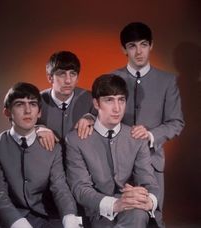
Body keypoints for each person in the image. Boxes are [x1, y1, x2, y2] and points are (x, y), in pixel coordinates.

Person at [0, 82, 82, 228]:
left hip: (45, 216)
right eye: (20, 104)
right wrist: (18, 223)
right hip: (8, 218)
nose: (28, 110)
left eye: (33, 104)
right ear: (7, 112)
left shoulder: (53, 147)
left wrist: (70, 216)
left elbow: (60, 187)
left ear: (39, 112)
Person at [112, 22, 184, 225]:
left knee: (153, 218)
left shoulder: (167, 81)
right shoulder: (111, 78)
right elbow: (97, 112)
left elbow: (176, 122)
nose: (139, 51)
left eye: (143, 44)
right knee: (121, 216)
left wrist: (150, 135)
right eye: (132, 46)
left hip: (152, 163)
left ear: (151, 45)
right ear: (124, 49)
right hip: (116, 165)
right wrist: (88, 118)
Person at [65, 74, 160, 228]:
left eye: (121, 100)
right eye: (109, 100)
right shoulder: (75, 140)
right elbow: (80, 188)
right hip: (96, 211)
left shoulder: (137, 137)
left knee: (137, 213)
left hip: (132, 207)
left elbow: (149, 183)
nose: (117, 108)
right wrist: (115, 204)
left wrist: (147, 200)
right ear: (96, 103)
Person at [37, 50, 96, 151]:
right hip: (47, 162)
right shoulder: (36, 101)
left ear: (77, 78)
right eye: (62, 74)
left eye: (72, 74)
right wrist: (36, 128)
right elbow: (18, 126)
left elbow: (107, 123)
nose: (68, 80)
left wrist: (92, 118)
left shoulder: (91, 98)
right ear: (50, 78)